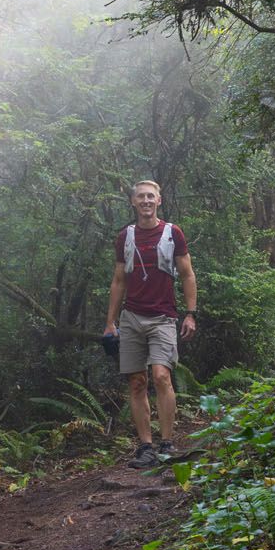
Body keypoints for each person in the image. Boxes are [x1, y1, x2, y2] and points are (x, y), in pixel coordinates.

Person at [103, 180, 197, 468]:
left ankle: (167, 443)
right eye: (140, 197)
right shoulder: (125, 237)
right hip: (132, 317)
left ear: (159, 200)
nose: (145, 201)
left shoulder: (172, 233)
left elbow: (187, 275)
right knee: (136, 382)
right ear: (133, 202)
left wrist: (191, 314)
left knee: (161, 376)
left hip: (163, 317)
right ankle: (146, 447)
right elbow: (119, 280)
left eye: (150, 196)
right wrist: (110, 323)